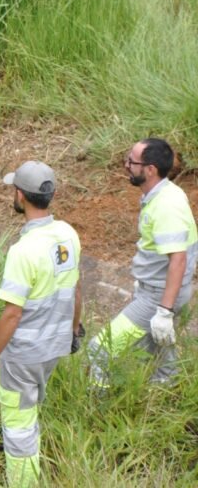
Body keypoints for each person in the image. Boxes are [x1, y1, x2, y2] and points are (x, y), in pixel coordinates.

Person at [0, 160, 83, 488]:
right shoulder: (68, 235)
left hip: (26, 354)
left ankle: (23, 482)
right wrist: (75, 330)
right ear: (51, 194)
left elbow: (12, 314)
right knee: (30, 410)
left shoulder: (23, 250)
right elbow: (76, 288)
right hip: (55, 346)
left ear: (20, 195)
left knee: (18, 424)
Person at [88, 138, 197, 387]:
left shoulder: (167, 206)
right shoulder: (162, 195)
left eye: (132, 161)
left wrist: (164, 311)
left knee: (99, 350)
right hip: (158, 292)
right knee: (159, 360)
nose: (126, 165)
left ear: (150, 169)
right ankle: (164, 399)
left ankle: (98, 411)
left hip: (158, 298)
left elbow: (178, 260)